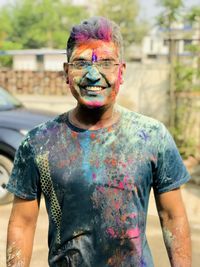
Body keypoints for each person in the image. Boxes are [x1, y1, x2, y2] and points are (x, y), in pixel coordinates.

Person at [6, 16, 191, 267]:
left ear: (121, 72)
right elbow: (22, 223)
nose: (93, 74)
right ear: (66, 72)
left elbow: (172, 216)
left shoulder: (152, 136)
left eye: (106, 62)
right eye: (81, 63)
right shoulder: (38, 143)